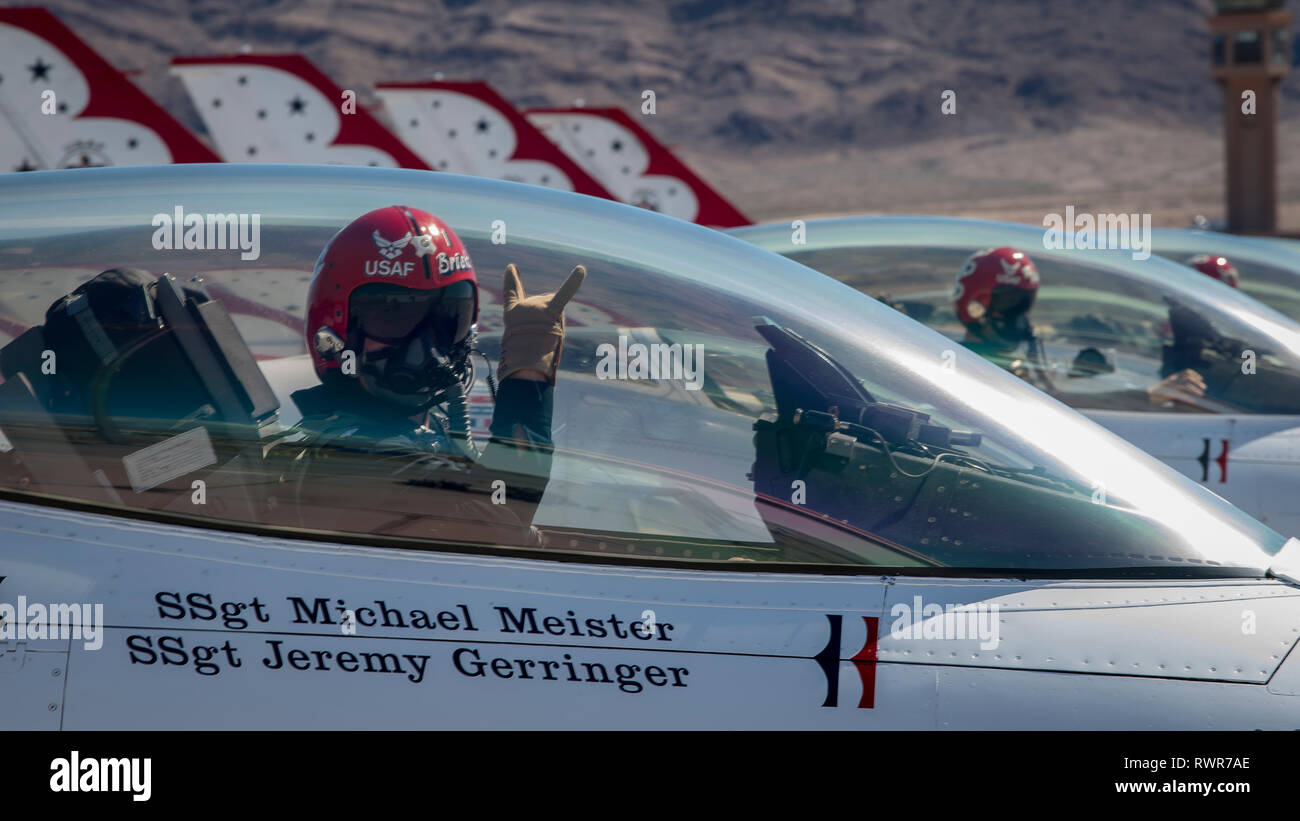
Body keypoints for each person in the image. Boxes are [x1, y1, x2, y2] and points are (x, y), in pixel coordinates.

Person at [274, 204, 586, 542]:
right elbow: (503, 525)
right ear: (337, 329)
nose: (424, 347)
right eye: (392, 315)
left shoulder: (419, 427)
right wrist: (528, 381)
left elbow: (498, 504)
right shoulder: (360, 455)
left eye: (447, 318)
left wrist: (529, 358)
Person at [952, 246, 1207, 407]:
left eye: (1024, 304)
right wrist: (1147, 395)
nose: (1018, 319)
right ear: (976, 305)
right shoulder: (962, 367)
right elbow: (1056, 403)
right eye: (1010, 304)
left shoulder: (1017, 363)